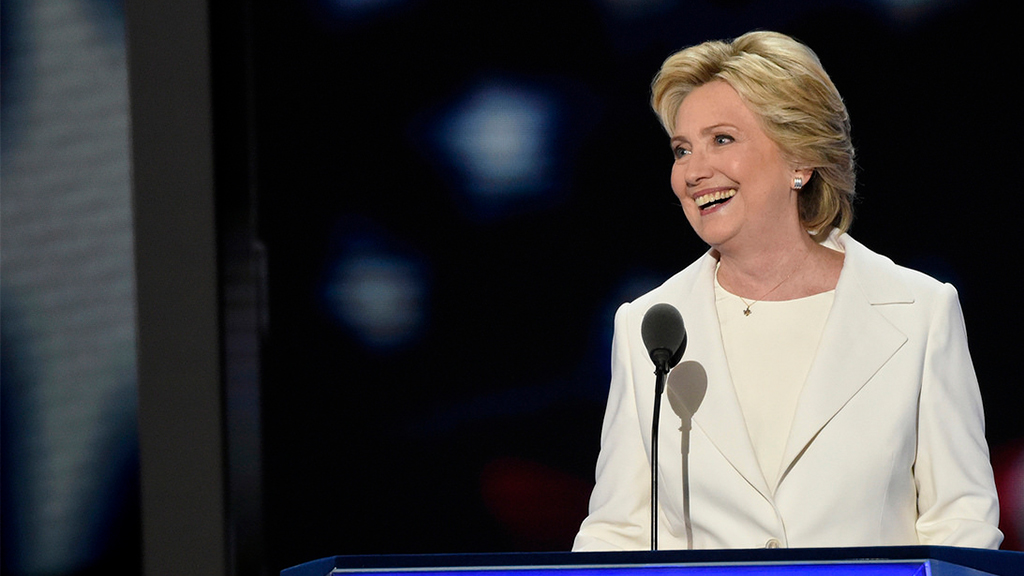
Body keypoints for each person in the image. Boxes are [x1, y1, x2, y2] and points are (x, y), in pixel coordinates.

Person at [573, 31, 1002, 551]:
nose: (693, 171)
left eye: (722, 140)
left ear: (800, 159)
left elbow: (961, 521)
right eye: (681, 149)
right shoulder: (651, 324)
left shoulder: (920, 312)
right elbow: (618, 533)